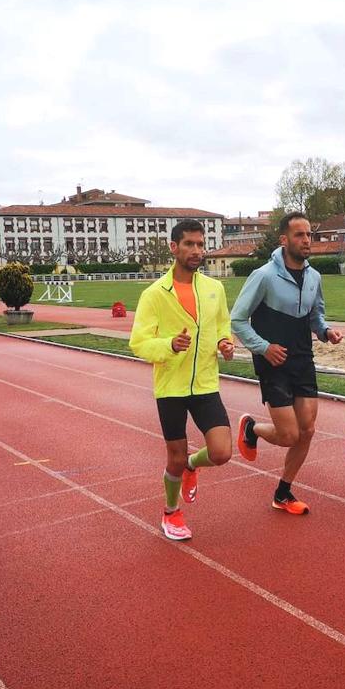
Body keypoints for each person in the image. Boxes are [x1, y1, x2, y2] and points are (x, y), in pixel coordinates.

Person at [129, 220, 236, 540]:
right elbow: (139, 342)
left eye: (201, 245)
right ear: (174, 247)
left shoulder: (214, 289)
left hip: (205, 383)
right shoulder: (154, 295)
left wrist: (224, 343)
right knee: (172, 457)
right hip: (171, 387)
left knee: (221, 453)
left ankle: (193, 465)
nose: (197, 251)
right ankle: (171, 512)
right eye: (189, 244)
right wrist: (169, 346)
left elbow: (221, 326)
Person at [230, 212, 343, 514]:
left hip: (303, 359)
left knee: (306, 431)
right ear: (284, 239)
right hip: (273, 363)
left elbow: (316, 315)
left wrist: (325, 331)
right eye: (299, 235)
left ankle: (283, 491)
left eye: (309, 235)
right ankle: (252, 429)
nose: (306, 240)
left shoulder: (314, 277)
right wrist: (263, 348)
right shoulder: (264, 275)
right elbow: (238, 320)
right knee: (289, 435)